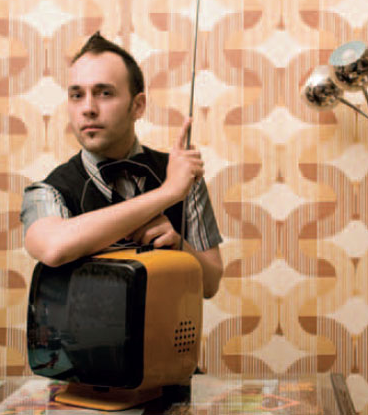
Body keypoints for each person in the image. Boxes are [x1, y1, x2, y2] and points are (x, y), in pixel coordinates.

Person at [20, 32, 223, 298]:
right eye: (77, 95)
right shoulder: (47, 191)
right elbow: (54, 247)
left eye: (104, 93)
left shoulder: (183, 176)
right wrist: (167, 193)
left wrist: (180, 248)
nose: (88, 108)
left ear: (138, 106)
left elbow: (210, 284)